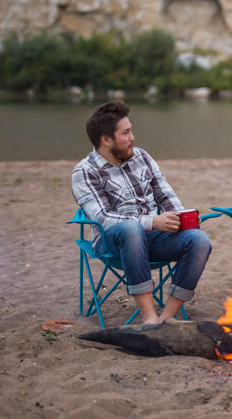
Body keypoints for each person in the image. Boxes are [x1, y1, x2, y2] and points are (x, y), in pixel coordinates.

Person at [71, 102, 211, 325]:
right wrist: (152, 221)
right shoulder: (84, 172)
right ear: (106, 140)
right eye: (125, 133)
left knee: (199, 240)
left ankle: (166, 318)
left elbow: (165, 195)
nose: (133, 137)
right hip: (112, 241)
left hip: (152, 238)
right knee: (131, 229)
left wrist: (183, 218)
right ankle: (149, 317)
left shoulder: (141, 157)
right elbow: (103, 217)